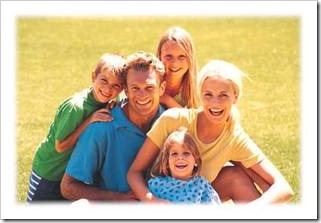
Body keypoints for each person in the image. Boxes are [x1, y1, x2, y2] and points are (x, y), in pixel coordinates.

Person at [127, 59, 294, 204]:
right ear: (200, 95)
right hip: (159, 197)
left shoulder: (234, 137)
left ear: (235, 96)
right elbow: (135, 173)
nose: (215, 103)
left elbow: (283, 188)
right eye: (208, 95)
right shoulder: (173, 120)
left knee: (236, 177)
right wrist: (153, 202)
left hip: (196, 199)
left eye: (223, 95)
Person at [60, 51, 166, 201]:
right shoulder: (102, 127)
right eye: (135, 88)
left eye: (149, 87)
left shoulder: (171, 123)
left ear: (162, 88)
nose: (142, 95)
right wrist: (118, 198)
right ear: (126, 90)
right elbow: (68, 187)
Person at [26, 53, 126, 202]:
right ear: (93, 76)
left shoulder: (110, 101)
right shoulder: (76, 107)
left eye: (115, 85)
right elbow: (60, 146)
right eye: (104, 80)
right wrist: (89, 121)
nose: (108, 89)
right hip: (49, 172)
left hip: (70, 177)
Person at [148, 127, 221, 204]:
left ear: (196, 160)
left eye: (186, 153)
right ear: (166, 163)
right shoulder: (157, 185)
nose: (180, 158)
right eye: (174, 154)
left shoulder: (201, 185)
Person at [156, 26, 197, 108]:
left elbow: (192, 120)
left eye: (182, 56)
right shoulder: (149, 82)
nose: (175, 63)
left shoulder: (197, 89)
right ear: (160, 56)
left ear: (190, 58)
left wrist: (167, 100)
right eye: (168, 56)